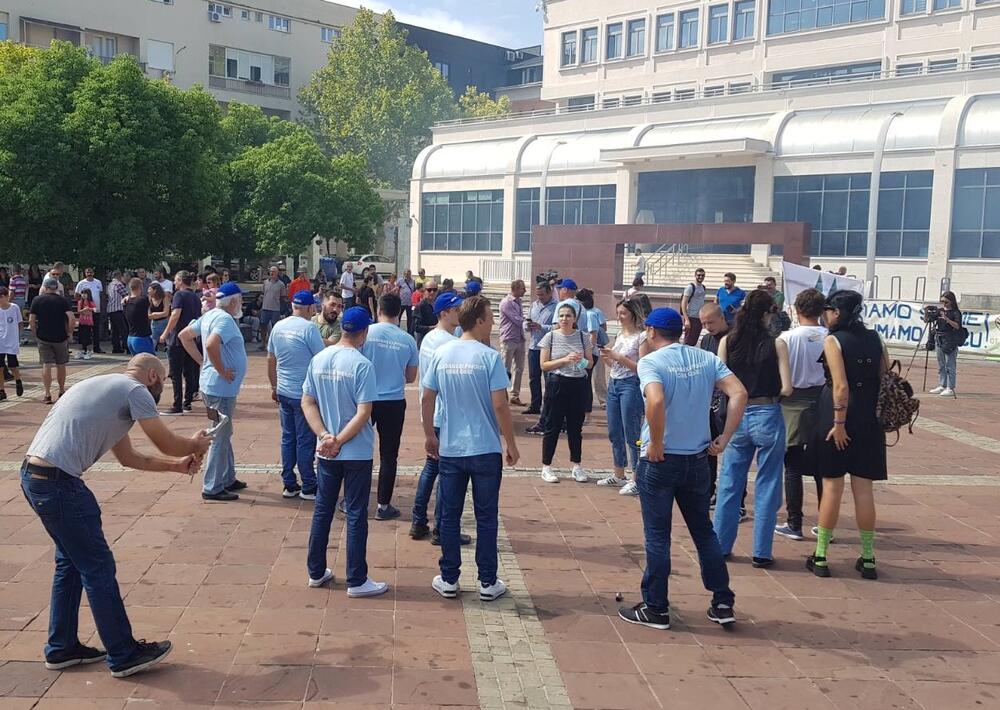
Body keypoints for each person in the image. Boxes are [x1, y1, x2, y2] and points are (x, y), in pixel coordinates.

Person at [22, 354, 211, 678]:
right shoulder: (135, 390)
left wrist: (177, 467)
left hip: (35, 476)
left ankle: (62, 647)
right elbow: (166, 442)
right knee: (97, 567)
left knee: (71, 563)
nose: (160, 390)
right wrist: (195, 444)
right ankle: (124, 653)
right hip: (59, 484)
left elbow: (128, 457)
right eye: (163, 382)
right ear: (153, 376)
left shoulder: (105, 388)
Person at [617, 308, 747, 631]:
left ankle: (656, 606)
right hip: (698, 458)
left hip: (661, 460)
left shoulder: (651, 362)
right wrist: (724, 437)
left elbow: (656, 401)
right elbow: (739, 392)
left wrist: (656, 442)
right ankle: (722, 600)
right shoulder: (705, 358)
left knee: (658, 535)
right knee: (703, 530)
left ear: (651, 332)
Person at [422, 295, 519, 601]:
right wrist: (510, 443)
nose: (493, 323)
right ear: (478, 321)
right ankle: (487, 582)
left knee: (450, 516)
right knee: (486, 517)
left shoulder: (442, 353)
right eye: (490, 317)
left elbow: (427, 397)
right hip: (485, 447)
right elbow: (500, 404)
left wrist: (429, 435)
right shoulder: (488, 357)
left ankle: (449, 578)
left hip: (451, 448)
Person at [301, 307, 389, 597]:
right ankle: (357, 578)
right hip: (356, 450)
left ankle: (316, 571)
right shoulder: (362, 365)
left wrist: (324, 435)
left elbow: (307, 401)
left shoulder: (319, 359)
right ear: (364, 332)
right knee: (356, 513)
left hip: (327, 449)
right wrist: (338, 439)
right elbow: (364, 412)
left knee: (323, 508)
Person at [806, 290, 889, 580]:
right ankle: (867, 557)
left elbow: (841, 386)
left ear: (837, 312)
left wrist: (839, 423)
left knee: (832, 486)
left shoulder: (833, 340)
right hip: (869, 417)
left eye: (827, 310)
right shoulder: (875, 338)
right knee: (864, 489)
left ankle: (820, 555)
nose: (825, 315)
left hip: (838, 416)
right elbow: (885, 377)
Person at [713, 290, 793, 568]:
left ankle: (721, 545)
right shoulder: (777, 343)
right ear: (766, 314)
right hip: (767, 411)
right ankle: (761, 551)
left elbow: (719, 379)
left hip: (737, 413)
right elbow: (787, 387)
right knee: (768, 483)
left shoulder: (727, 341)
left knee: (730, 482)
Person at [410, 291, 471, 546]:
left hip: (435, 412)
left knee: (432, 468)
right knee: (446, 473)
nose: (460, 314)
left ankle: (419, 521)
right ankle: (441, 528)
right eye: (457, 310)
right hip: (444, 413)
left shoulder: (432, 338)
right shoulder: (446, 342)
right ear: (444, 313)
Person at [179, 282, 249, 501]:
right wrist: (220, 369)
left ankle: (227, 477)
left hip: (213, 387)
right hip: (220, 389)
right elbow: (210, 344)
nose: (241, 303)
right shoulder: (224, 320)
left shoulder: (210, 315)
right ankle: (212, 486)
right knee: (219, 434)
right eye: (240, 299)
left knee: (223, 431)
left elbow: (184, 335)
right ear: (233, 301)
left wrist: (204, 362)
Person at [774, 289, 828, 542]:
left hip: (792, 401)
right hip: (823, 401)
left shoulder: (786, 338)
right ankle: (826, 524)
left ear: (797, 310)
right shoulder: (831, 336)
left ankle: (794, 522)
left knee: (793, 465)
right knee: (823, 467)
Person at [362, 293, 419, 520]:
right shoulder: (407, 340)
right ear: (399, 313)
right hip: (393, 401)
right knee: (389, 454)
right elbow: (411, 377)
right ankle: (383, 505)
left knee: (359, 449)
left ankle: (353, 498)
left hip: (366, 398)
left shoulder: (366, 333)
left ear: (379, 310)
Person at [268, 290, 326, 500]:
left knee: (288, 438)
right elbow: (321, 359)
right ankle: (309, 484)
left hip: (284, 390)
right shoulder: (309, 328)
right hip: (303, 395)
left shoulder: (278, 326)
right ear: (310, 308)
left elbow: (271, 358)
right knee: (304, 440)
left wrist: (274, 386)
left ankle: (289, 483)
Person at [597, 298, 647, 495]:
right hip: (614, 382)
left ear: (633, 314)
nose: (619, 317)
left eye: (623, 313)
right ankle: (619, 473)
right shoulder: (620, 334)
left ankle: (637, 477)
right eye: (618, 313)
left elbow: (642, 367)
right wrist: (608, 358)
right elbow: (614, 364)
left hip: (631, 384)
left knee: (632, 431)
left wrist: (619, 358)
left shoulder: (641, 337)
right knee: (614, 430)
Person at [539, 302, 592, 484]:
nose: (564, 319)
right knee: (552, 425)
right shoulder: (550, 337)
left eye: (568, 315)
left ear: (575, 318)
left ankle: (576, 465)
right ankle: (546, 466)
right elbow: (544, 365)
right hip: (557, 383)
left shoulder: (583, 337)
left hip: (578, 384)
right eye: (561, 316)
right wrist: (564, 360)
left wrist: (579, 361)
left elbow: (590, 364)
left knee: (575, 428)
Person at [160, 271, 202, 414]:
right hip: (191, 338)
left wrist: (165, 332)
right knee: (189, 372)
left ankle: (177, 404)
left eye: (176, 280)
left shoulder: (179, 295)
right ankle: (187, 402)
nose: (174, 282)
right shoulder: (196, 297)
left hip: (177, 339)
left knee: (176, 373)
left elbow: (175, 315)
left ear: (181, 281)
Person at [29, 277, 75, 404]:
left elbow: (31, 320)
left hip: (43, 336)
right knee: (61, 364)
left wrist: (35, 333)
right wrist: (69, 332)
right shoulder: (62, 300)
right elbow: (71, 318)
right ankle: (61, 390)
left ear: (45, 287)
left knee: (46, 364)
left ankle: (47, 394)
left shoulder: (37, 300)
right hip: (60, 336)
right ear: (56, 287)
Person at [524, 282, 556, 425]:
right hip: (533, 346)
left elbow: (556, 328)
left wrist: (541, 327)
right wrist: (527, 325)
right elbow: (525, 321)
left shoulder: (556, 307)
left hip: (548, 348)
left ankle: (549, 408)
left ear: (549, 292)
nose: (540, 297)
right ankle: (535, 405)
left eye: (542, 294)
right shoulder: (534, 305)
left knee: (549, 379)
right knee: (533, 378)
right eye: (538, 294)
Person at [499, 280, 527, 406]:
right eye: (522, 288)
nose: (525, 291)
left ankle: (515, 395)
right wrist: (527, 323)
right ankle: (502, 394)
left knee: (519, 368)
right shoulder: (506, 302)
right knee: (505, 369)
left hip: (519, 338)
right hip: (508, 338)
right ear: (515, 289)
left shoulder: (519, 301)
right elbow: (516, 319)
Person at [930, 291, 963, 397]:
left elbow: (957, 326)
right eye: (942, 302)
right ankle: (942, 384)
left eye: (946, 302)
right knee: (941, 364)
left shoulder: (955, 312)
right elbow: (931, 320)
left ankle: (950, 387)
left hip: (950, 340)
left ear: (951, 301)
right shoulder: (941, 311)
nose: (944, 304)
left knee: (950, 364)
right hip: (939, 338)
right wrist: (930, 315)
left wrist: (947, 319)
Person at [0, 287, 24, 400]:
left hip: (11, 342)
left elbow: (20, 323)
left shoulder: (14, 308)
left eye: (1, 297)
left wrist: (17, 337)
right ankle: (2, 390)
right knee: (0, 368)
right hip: (0, 342)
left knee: (13, 365)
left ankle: (18, 380)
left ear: (6, 296)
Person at [74, 268, 104, 354]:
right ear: (85, 273)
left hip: (95, 310)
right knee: (85, 330)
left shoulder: (98, 282)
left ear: (93, 273)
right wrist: (81, 305)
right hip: (85, 312)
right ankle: (84, 347)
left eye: (90, 272)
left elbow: (101, 294)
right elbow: (76, 295)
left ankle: (96, 347)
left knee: (96, 329)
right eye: (87, 272)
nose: (89, 274)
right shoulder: (81, 283)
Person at [124, 278, 155, 355]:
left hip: (130, 338)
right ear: (140, 287)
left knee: (137, 362)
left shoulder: (126, 302)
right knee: (151, 361)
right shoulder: (143, 300)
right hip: (141, 338)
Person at [260, 266, 285, 351]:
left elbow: (283, 297)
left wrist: (282, 310)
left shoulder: (281, 284)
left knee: (275, 327)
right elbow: (263, 293)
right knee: (263, 325)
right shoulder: (265, 282)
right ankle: (263, 344)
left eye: (274, 271)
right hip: (265, 307)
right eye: (271, 271)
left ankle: (275, 344)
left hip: (275, 309)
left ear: (277, 273)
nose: (272, 273)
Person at [681, 268, 707, 346]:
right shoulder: (690, 287)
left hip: (699, 318)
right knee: (688, 341)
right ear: (695, 276)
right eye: (699, 275)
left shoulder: (703, 287)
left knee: (694, 341)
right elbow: (683, 303)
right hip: (691, 317)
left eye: (702, 275)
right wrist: (686, 319)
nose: (700, 277)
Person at [105, 272, 128, 353]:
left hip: (111, 309)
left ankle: (116, 347)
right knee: (124, 329)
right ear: (119, 276)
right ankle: (127, 346)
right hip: (118, 309)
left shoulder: (110, 285)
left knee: (114, 330)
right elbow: (126, 295)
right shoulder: (119, 284)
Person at [412, 281, 439, 348]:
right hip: (424, 341)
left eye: (435, 290)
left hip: (436, 340)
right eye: (429, 290)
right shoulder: (420, 306)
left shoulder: (439, 305)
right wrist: (432, 328)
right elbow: (416, 327)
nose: (432, 292)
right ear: (424, 291)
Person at [147, 283, 171, 353]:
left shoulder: (164, 298)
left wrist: (154, 314)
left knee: (168, 341)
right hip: (154, 323)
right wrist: (157, 315)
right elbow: (148, 315)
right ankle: (151, 356)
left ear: (155, 290)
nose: (148, 291)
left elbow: (166, 313)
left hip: (164, 322)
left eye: (150, 289)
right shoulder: (150, 298)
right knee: (153, 342)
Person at [75, 291, 96, 361]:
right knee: (80, 336)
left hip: (88, 322)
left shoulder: (91, 302)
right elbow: (78, 311)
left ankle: (89, 351)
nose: (83, 295)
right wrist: (83, 310)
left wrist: (89, 309)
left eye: (85, 293)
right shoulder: (80, 302)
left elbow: (95, 309)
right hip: (82, 321)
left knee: (87, 336)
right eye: (82, 294)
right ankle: (81, 351)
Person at [399, 269, 416, 334]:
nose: (407, 276)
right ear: (404, 274)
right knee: (398, 317)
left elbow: (414, 291)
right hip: (401, 302)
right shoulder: (400, 281)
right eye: (406, 274)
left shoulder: (413, 281)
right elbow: (397, 289)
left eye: (408, 274)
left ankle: (410, 332)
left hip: (410, 303)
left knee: (410, 318)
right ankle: (397, 330)